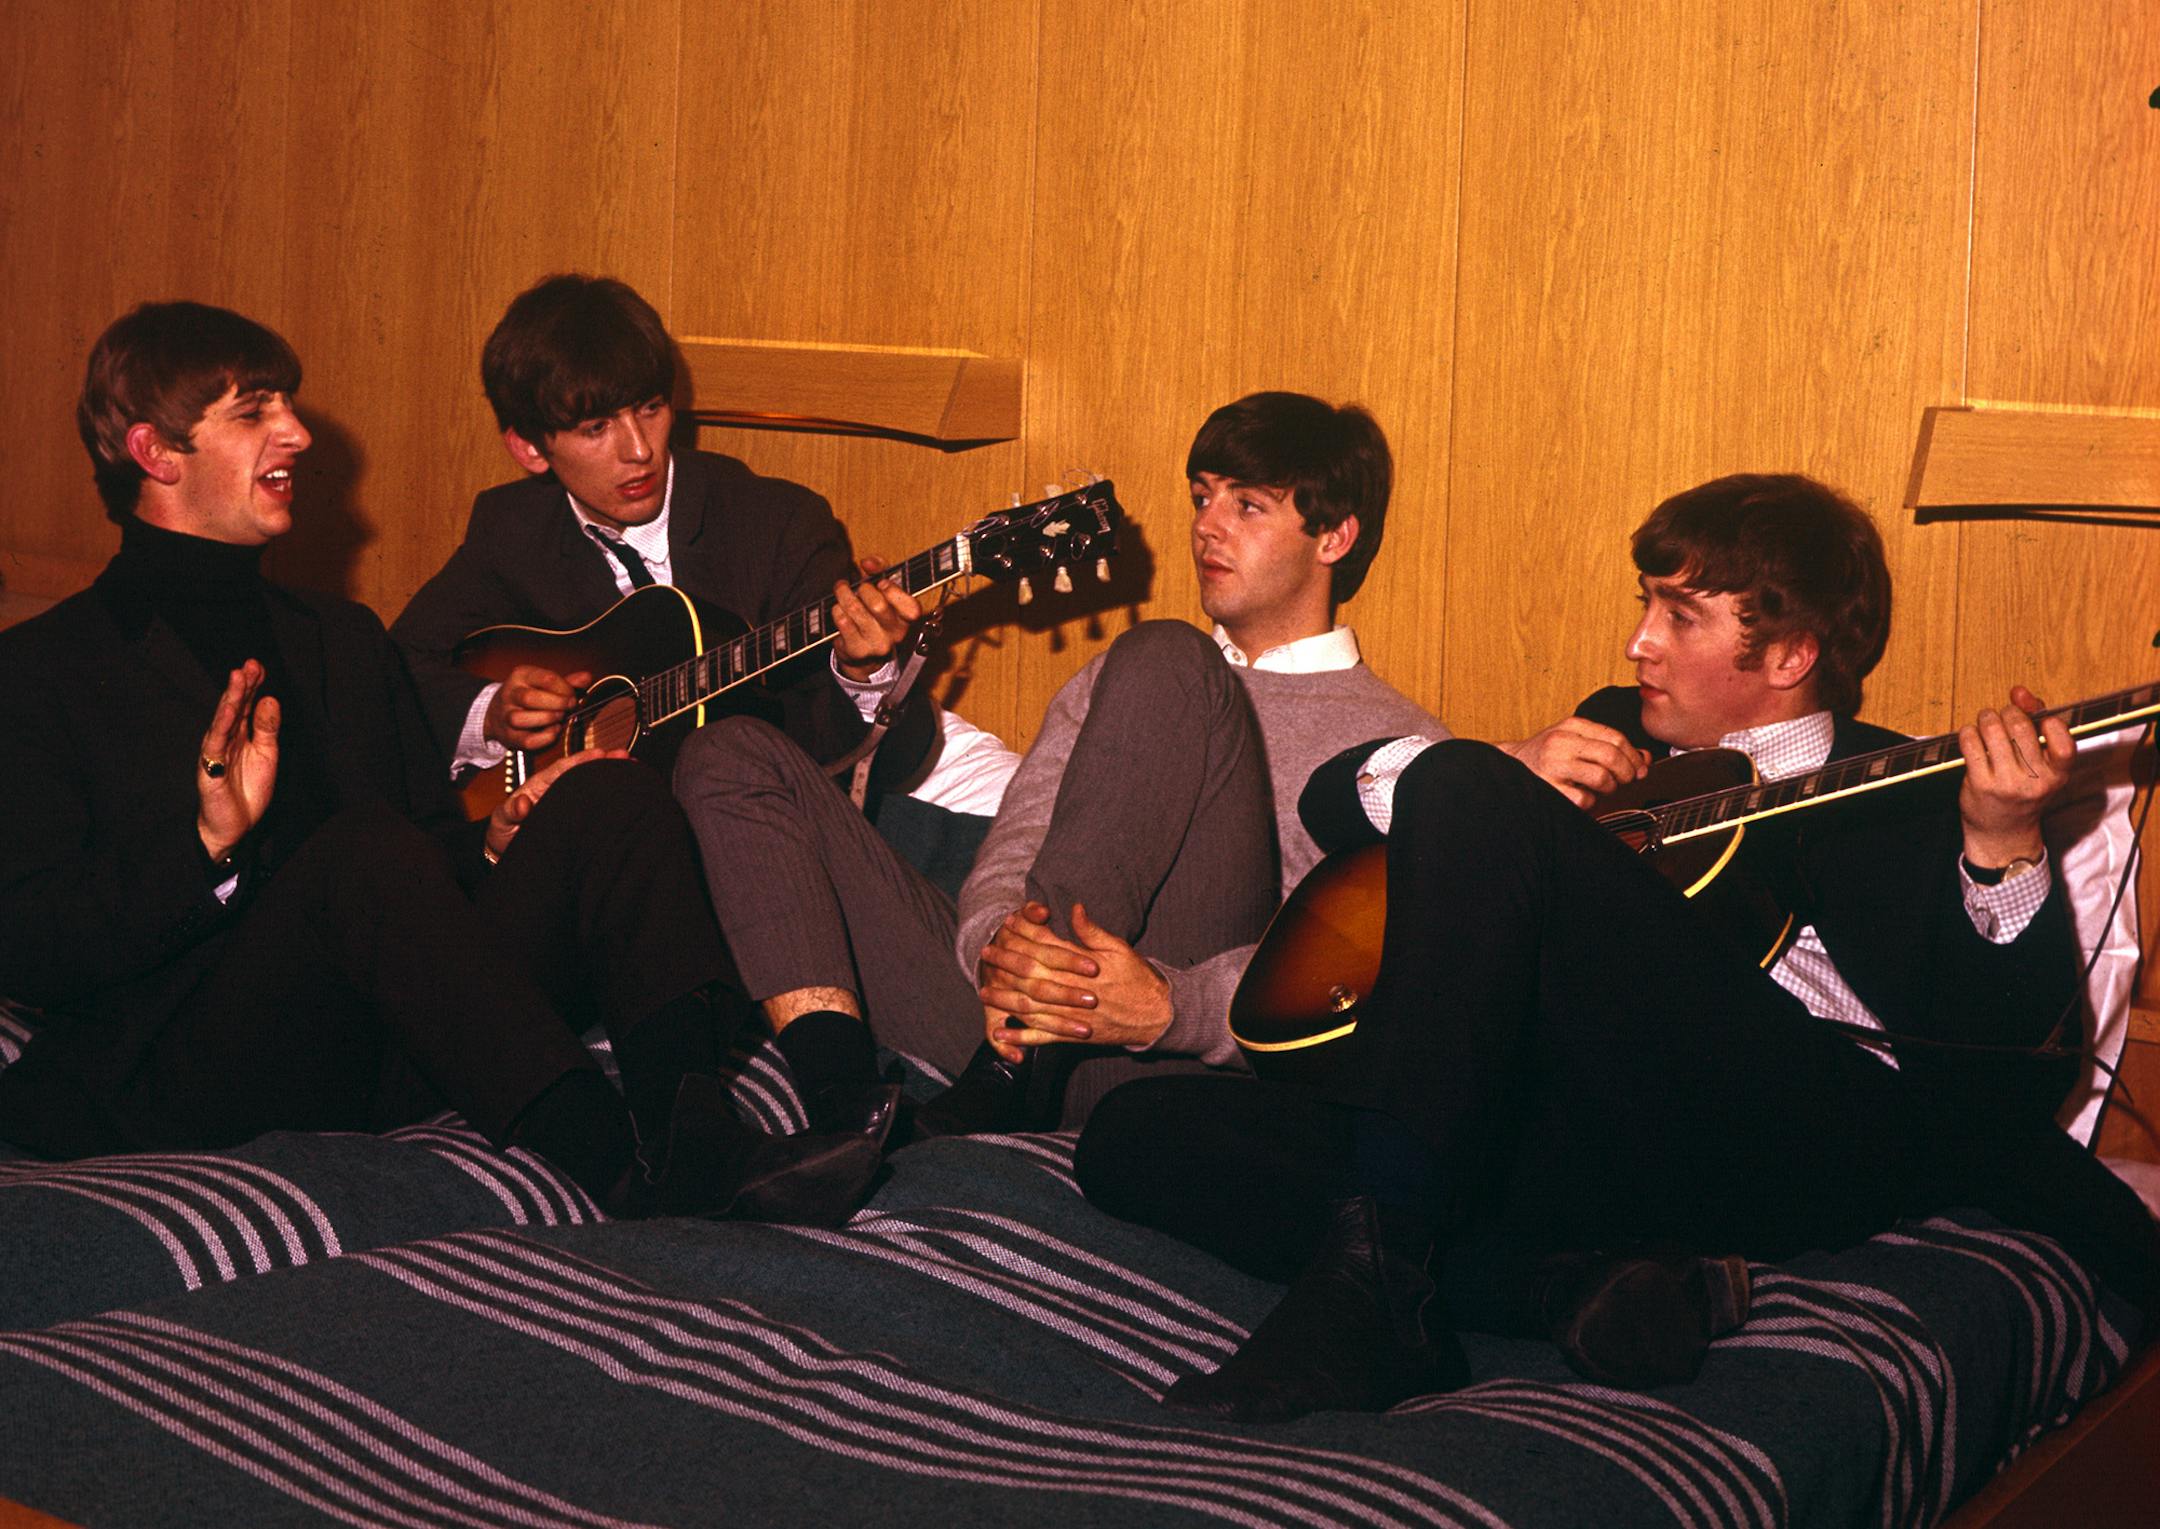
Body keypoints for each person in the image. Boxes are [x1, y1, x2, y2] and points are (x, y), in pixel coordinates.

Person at [1074, 472, 2159, 1421]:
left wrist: (2002, 838)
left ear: (1789, 652)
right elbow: (1334, 800)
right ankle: (1562, 1288)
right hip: (1595, 1129)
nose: (1639, 642)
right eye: (1646, 605)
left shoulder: (1906, 785)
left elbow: (2003, 1077)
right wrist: (1518, 763)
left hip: (1799, 1128)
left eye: (1680, 616)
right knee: (1134, 1129)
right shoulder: (1613, 736)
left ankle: (1382, 1283)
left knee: (1459, 785)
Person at [0, 301, 884, 1226]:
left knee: (608, 791)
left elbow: (425, 856)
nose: (297, 433)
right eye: (255, 411)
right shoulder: (40, 673)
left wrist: (497, 845)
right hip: (189, 1068)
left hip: (388, 1048)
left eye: (288, 407)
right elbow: (28, 945)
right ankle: (619, 1169)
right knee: (359, 853)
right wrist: (206, 849)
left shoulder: (339, 638)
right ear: (154, 452)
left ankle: (693, 1134)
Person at [669, 392, 1476, 1137]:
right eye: (1202, 497)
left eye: (1248, 505)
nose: (1207, 526)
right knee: (730, 752)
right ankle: (846, 1113)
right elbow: (1016, 841)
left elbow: (1362, 984)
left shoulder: (1398, 744)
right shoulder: (1114, 678)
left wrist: (1170, 1005)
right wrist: (993, 944)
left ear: (1334, 536)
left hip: (1151, 1048)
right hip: (997, 1023)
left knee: (1168, 656)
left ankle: (1011, 1059)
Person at [389, 273, 928, 796]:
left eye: (649, 408)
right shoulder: (513, 530)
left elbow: (877, 768)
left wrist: (867, 672)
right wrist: (491, 712)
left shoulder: (778, 525)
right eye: (596, 428)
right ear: (529, 448)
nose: (640, 450)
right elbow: (392, 670)